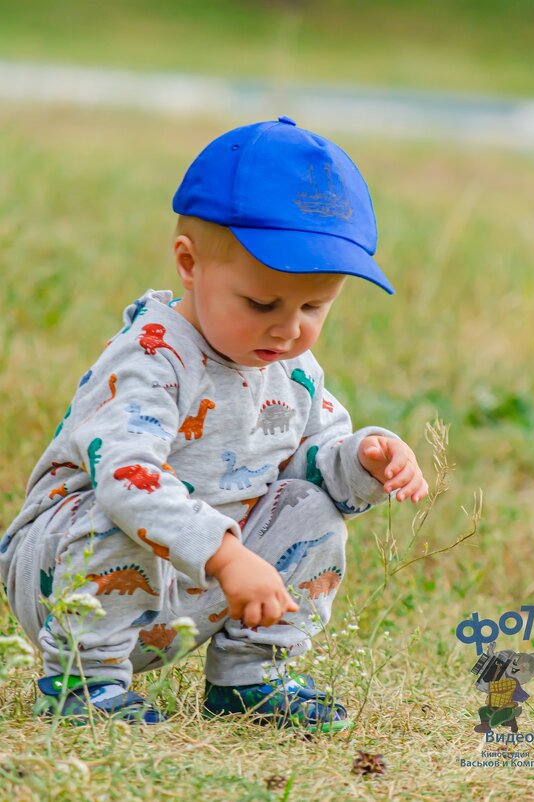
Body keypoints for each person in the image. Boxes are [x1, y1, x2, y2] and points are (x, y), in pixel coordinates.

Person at [0, 116, 428, 731]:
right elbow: (127, 477)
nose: (288, 328)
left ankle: (253, 676)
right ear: (189, 263)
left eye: (314, 306)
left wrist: (362, 460)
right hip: (68, 577)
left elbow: (308, 462)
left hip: (202, 583)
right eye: (262, 303)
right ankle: (81, 684)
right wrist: (228, 557)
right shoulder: (151, 358)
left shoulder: (292, 367)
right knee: (120, 512)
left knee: (313, 510)